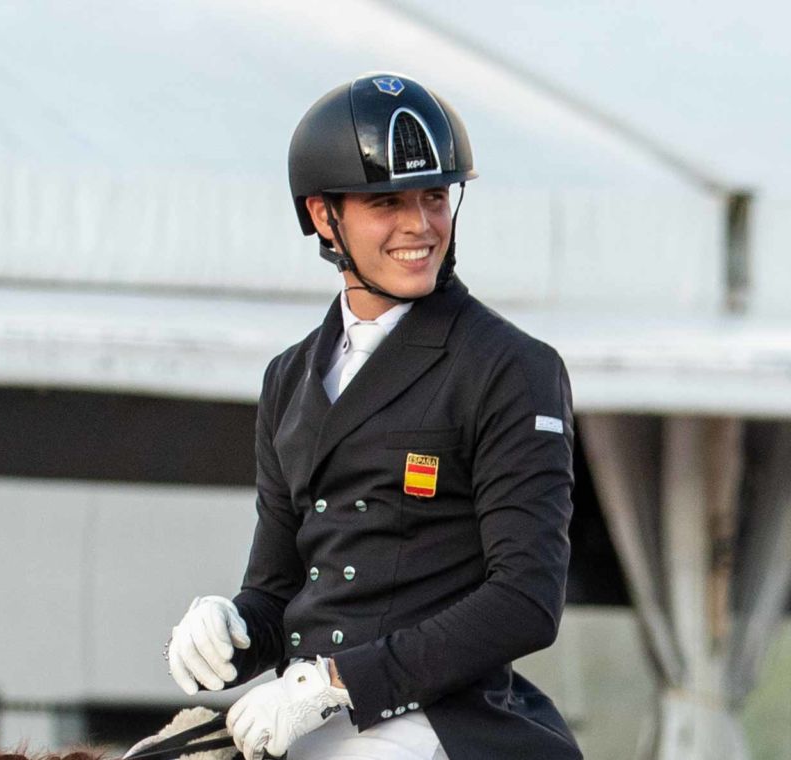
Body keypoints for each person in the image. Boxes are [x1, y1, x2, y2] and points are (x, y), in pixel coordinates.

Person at [163, 73, 581, 760]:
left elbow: (527, 599)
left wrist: (338, 683)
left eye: (435, 196)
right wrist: (227, 627)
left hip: (435, 720)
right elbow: (278, 596)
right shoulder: (289, 378)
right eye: (387, 202)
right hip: (301, 709)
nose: (420, 225)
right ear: (325, 217)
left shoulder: (509, 367)